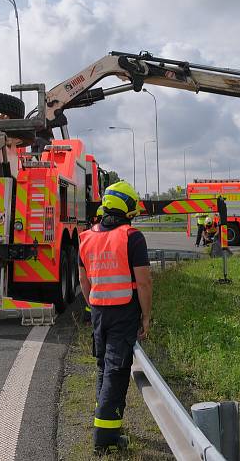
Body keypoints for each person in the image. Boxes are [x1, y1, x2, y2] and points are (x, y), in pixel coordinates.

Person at [79, 181, 153, 454]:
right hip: (123, 312)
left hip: (98, 310)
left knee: (103, 367)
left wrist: (93, 306)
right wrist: (146, 317)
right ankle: (105, 439)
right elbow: (144, 283)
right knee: (116, 370)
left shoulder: (86, 237)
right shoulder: (132, 237)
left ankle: (104, 422)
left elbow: (83, 280)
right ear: (126, 206)